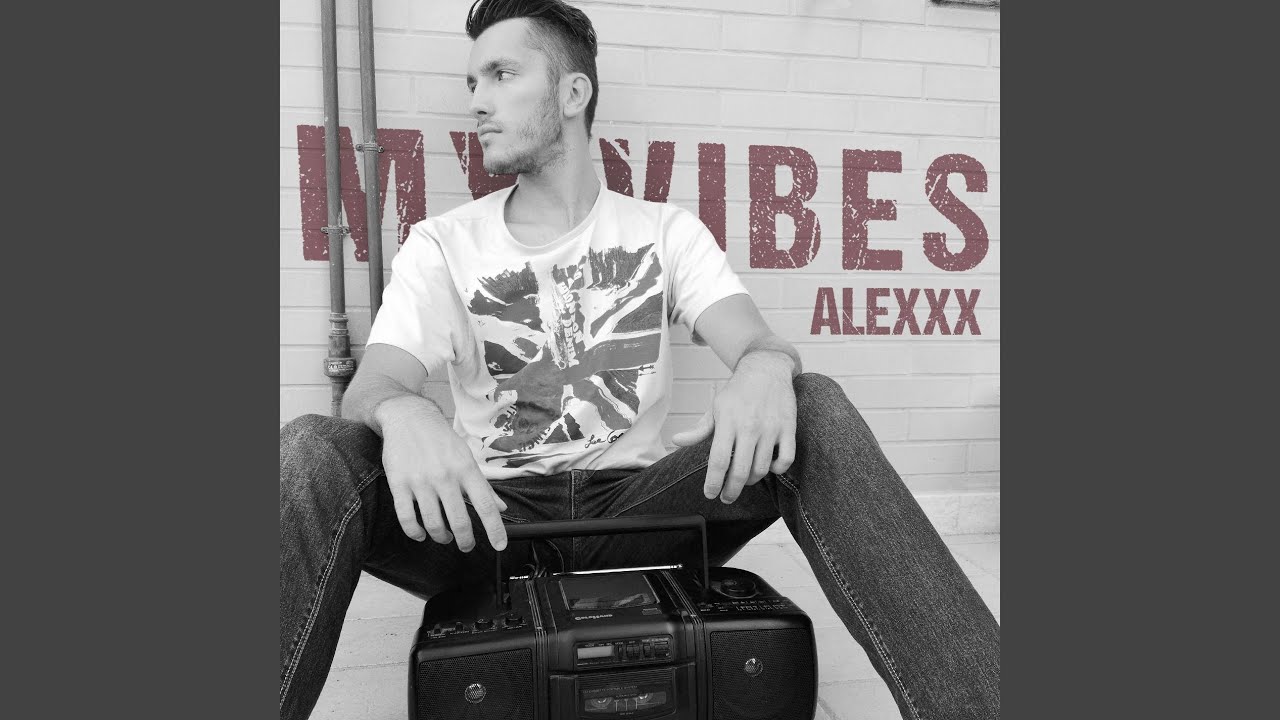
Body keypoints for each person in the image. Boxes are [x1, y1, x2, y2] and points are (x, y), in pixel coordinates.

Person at [278, 0, 1000, 718]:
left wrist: (763, 368)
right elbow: (373, 384)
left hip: (638, 514)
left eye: (501, 74)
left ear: (573, 93)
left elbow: (758, 342)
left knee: (813, 406)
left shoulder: (666, 232)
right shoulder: (443, 243)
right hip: (488, 521)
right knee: (313, 449)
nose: (478, 102)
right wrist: (404, 411)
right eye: (473, 83)